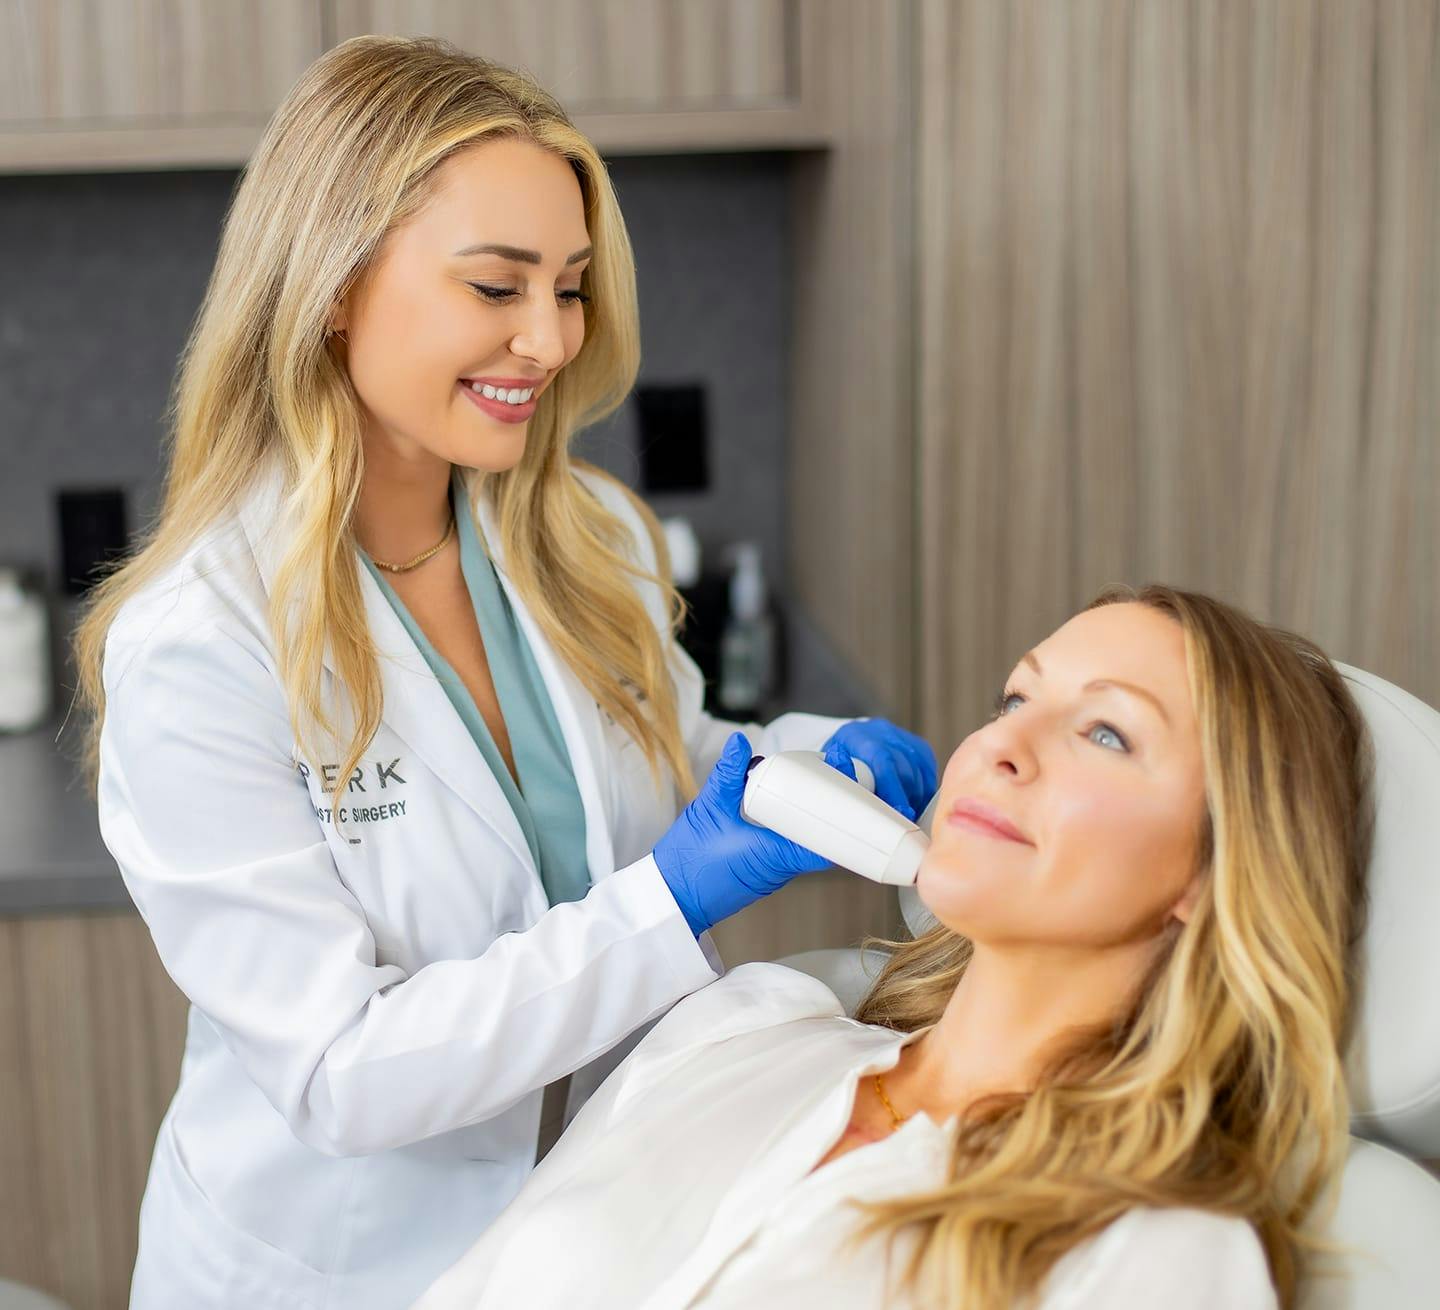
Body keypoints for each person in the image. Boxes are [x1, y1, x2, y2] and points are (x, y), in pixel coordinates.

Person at [67, 35, 937, 1310]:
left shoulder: (593, 539)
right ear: (333, 287)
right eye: (497, 286)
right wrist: (675, 900)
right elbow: (340, 1070)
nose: (547, 339)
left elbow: (662, 770)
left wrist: (808, 765)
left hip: (588, 1238)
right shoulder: (203, 644)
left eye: (572, 287)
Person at [414, 584, 1374, 1310]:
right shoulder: (743, 1027)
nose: (1003, 748)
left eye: (1108, 734)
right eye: (1012, 699)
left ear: (1216, 870)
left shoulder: (1159, 1252)